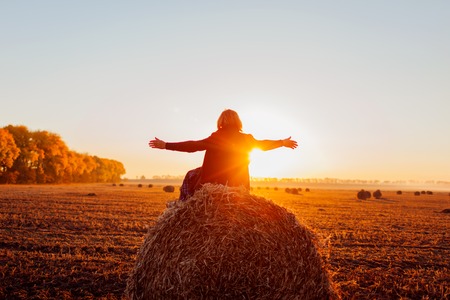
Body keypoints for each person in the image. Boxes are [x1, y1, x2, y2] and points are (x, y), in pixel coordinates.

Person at [149, 109, 298, 199]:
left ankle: (183, 209)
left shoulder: (216, 137)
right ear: (238, 122)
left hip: (213, 184)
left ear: (221, 121)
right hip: (240, 185)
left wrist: (166, 145)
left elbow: (192, 145)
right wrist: (281, 142)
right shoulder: (247, 138)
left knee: (191, 175)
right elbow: (262, 145)